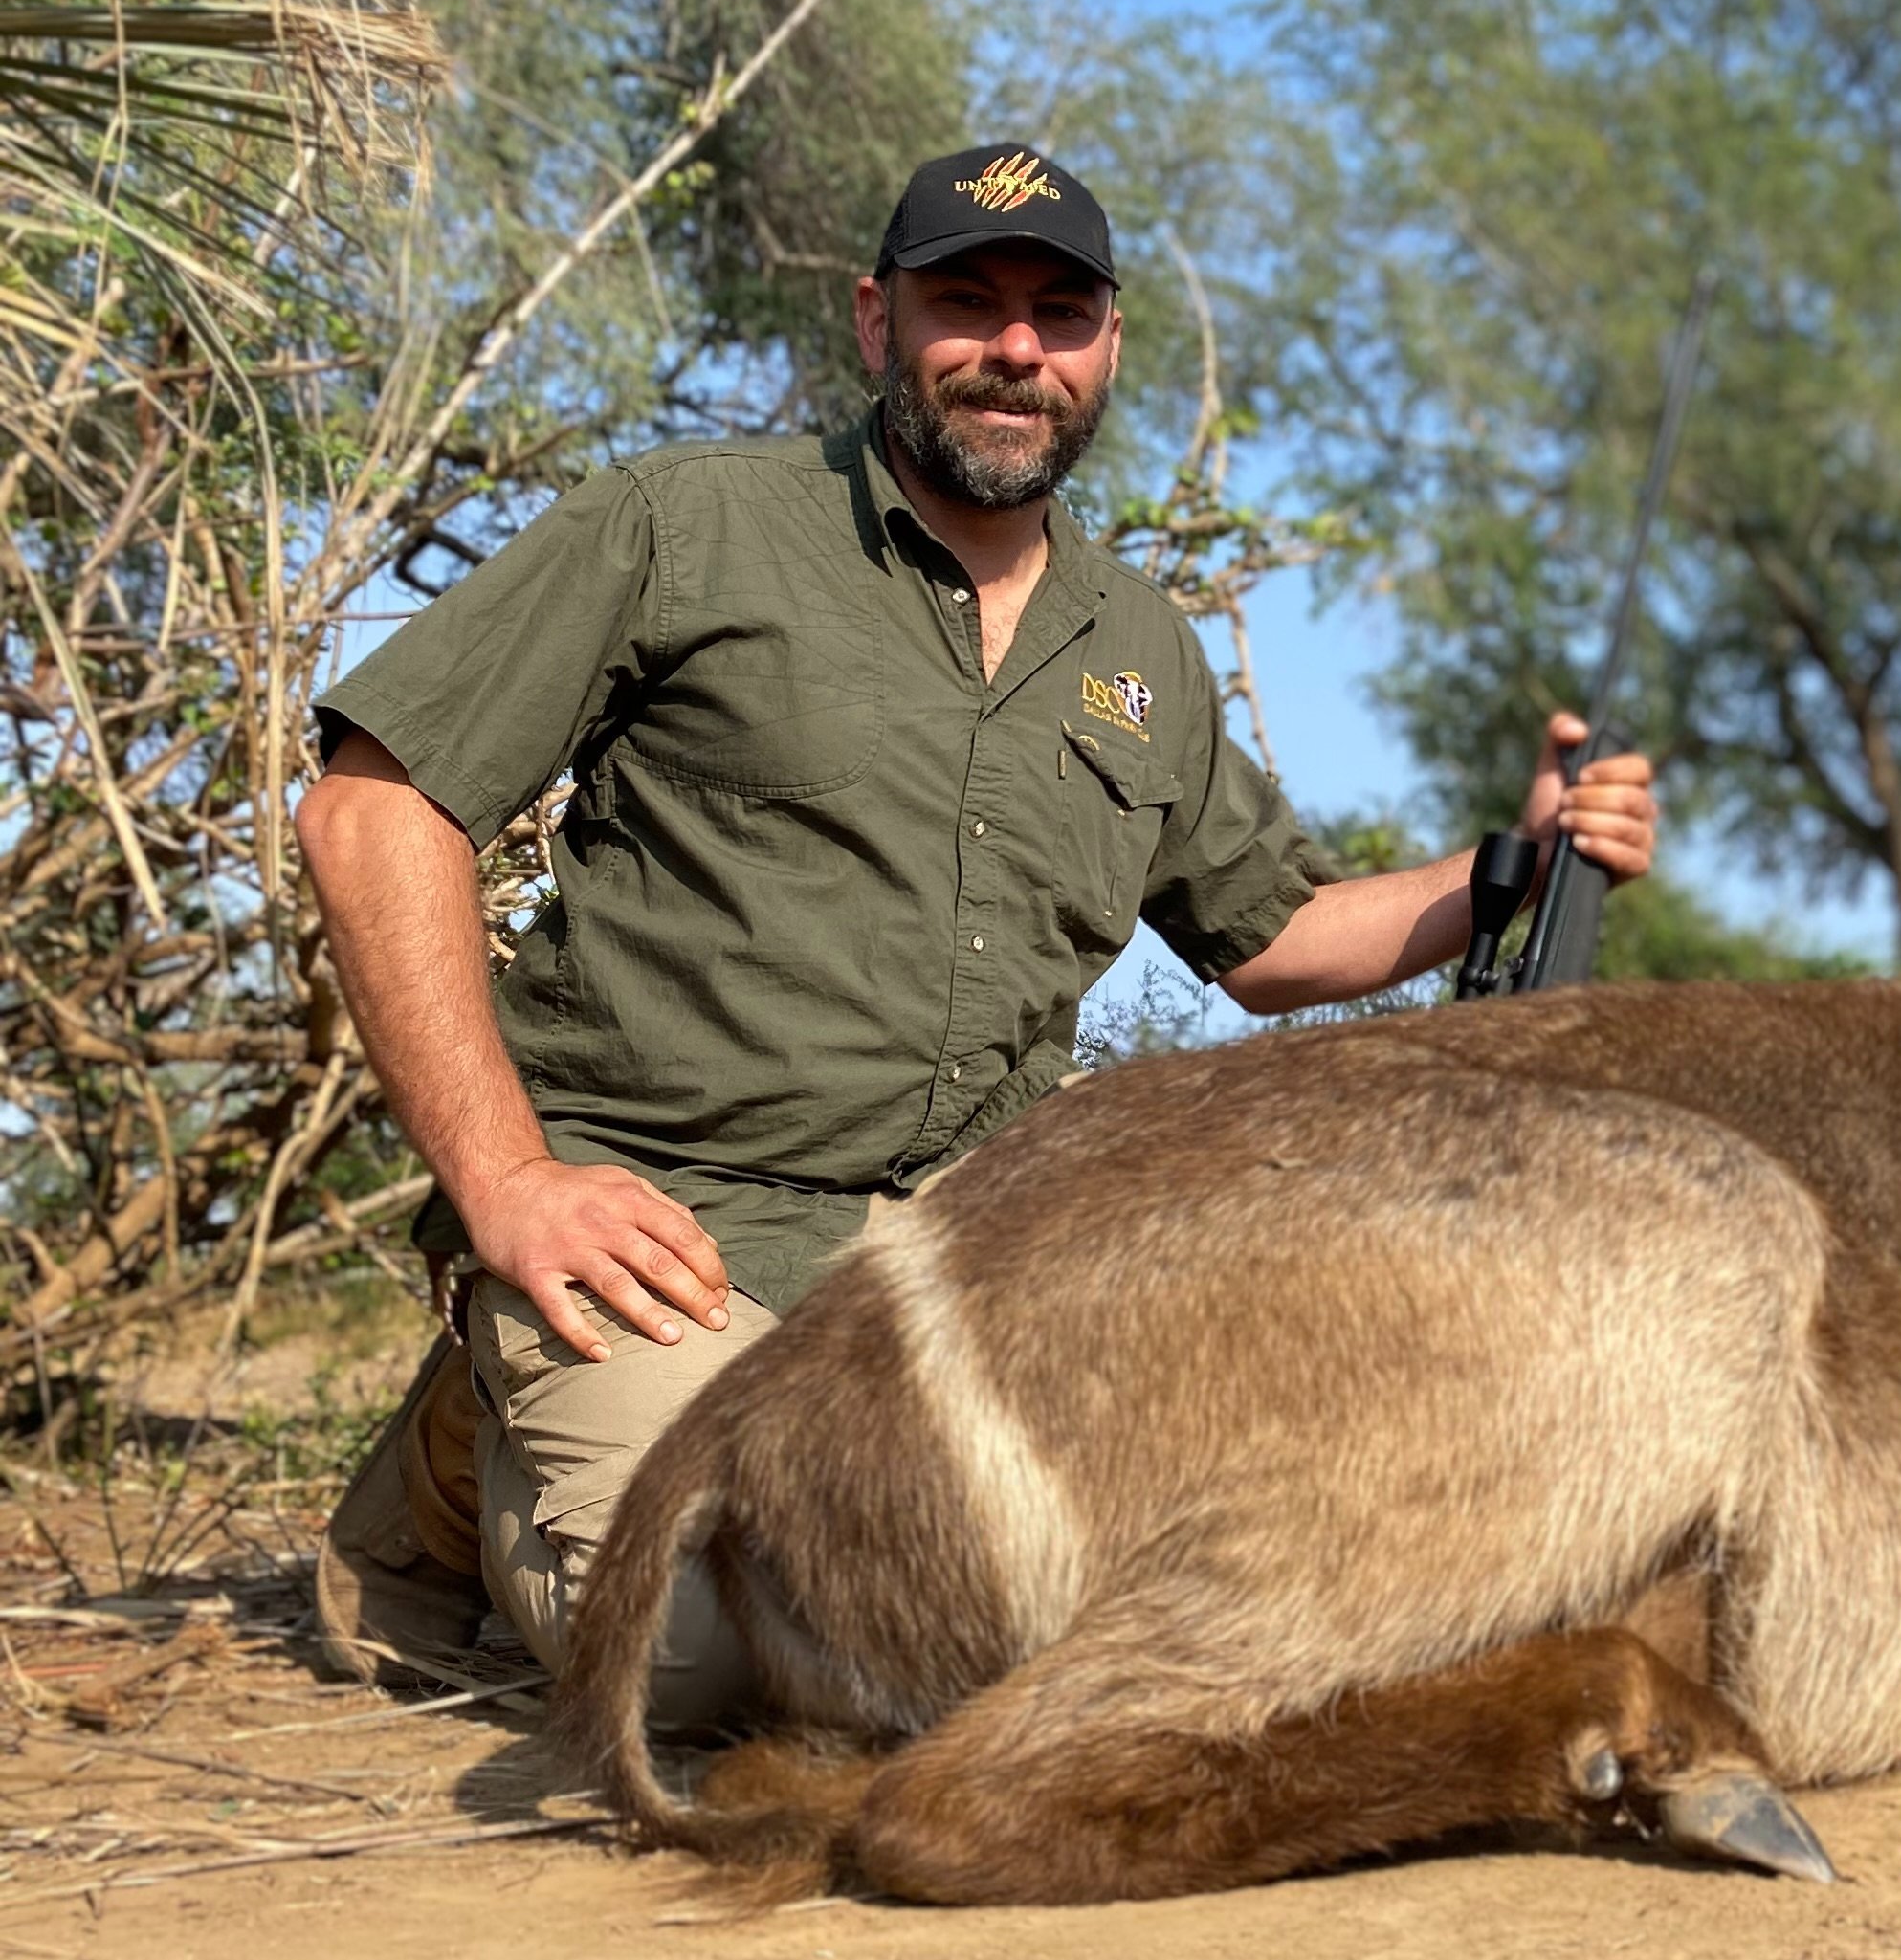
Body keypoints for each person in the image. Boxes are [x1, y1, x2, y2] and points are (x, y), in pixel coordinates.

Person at [298, 144, 1660, 1726]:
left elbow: (1274, 933)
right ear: (879, 322)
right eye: (970, 302)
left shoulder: (1136, 643)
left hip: (979, 1260)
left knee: (1236, 1561)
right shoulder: (689, 524)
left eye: (1059, 311)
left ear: (1105, 348)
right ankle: (469, 1438)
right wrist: (509, 1183)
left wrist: (1510, 861)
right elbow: (373, 809)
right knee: (697, 1664)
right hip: (673, 1232)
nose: (1017, 348)